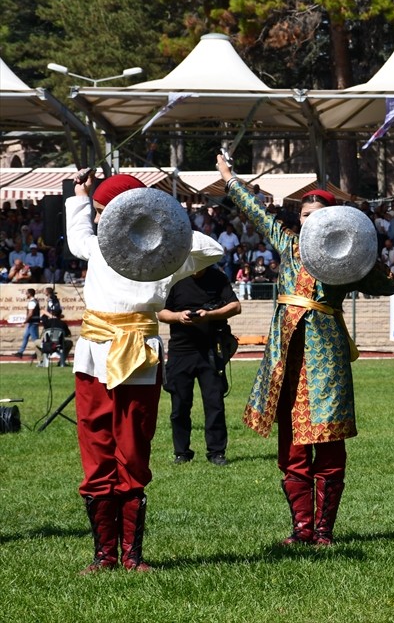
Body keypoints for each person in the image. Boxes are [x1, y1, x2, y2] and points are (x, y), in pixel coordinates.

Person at [217, 153, 394, 548]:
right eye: (304, 217)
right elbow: (258, 214)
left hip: (326, 361)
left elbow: (388, 288)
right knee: (292, 448)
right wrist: (230, 179)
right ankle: (301, 530)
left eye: (316, 218)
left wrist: (365, 255)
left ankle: (323, 532)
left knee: (329, 446)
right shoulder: (289, 245)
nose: (308, 223)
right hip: (286, 359)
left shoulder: (345, 260)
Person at [67, 171, 224, 573]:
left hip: (138, 356)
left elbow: (213, 249)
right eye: (101, 213)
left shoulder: (165, 256)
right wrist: (81, 198)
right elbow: (77, 235)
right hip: (93, 354)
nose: (104, 221)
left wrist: (161, 221)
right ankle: (105, 555)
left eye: (110, 212)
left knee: (133, 449)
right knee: (96, 448)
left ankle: (132, 555)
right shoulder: (98, 248)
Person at [160, 265, 242, 467]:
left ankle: (216, 452)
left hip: (210, 350)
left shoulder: (218, 277)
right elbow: (161, 313)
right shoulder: (175, 277)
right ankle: (181, 452)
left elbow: (236, 307)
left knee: (214, 404)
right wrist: (179, 316)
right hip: (181, 351)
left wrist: (210, 315)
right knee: (179, 406)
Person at [15, 287, 40, 358]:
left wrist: (25, 321)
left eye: (27, 293)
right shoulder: (34, 301)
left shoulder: (32, 302)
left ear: (29, 294)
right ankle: (20, 352)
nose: (26, 294)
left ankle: (38, 353)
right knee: (25, 337)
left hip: (32, 323)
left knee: (35, 339)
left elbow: (30, 313)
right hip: (31, 323)